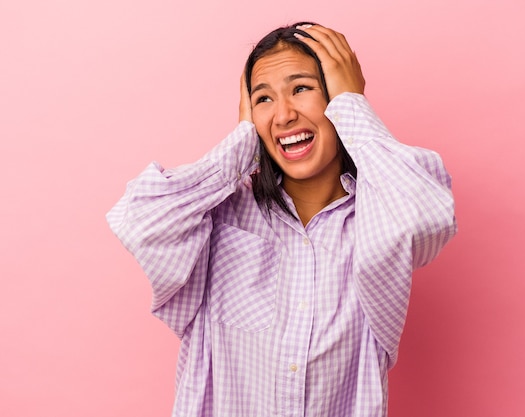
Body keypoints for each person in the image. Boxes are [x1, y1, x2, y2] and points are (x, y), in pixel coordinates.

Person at [107, 22, 457, 417]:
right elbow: (137, 221)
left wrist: (352, 104)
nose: (284, 115)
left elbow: (429, 218)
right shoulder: (218, 215)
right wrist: (242, 143)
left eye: (301, 88)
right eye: (264, 99)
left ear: (337, 95)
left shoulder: (380, 217)